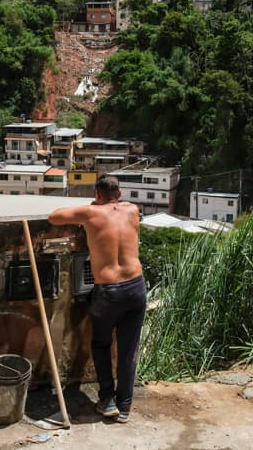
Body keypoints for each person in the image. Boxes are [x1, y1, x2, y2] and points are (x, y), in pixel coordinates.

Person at [48, 174, 146, 423]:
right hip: (136, 287)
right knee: (128, 349)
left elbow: (54, 216)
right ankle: (124, 407)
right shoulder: (133, 210)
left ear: (97, 194)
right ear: (120, 194)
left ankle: (107, 400)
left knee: (101, 344)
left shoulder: (91, 214)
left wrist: (91, 208)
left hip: (109, 291)